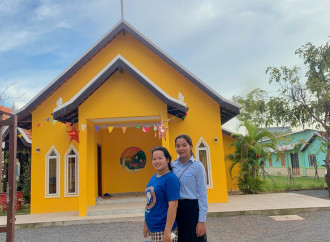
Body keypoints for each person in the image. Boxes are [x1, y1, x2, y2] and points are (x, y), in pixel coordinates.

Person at [171, 134, 208, 242]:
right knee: (178, 238)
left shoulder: (198, 166)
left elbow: (202, 194)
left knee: (193, 238)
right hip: (176, 208)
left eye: (184, 145)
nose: (181, 148)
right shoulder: (173, 166)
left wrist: (201, 221)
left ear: (190, 146)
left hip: (191, 209)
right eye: (178, 146)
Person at [144, 146, 180, 242]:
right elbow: (149, 202)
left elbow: (173, 205)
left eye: (160, 158)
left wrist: (167, 232)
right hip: (153, 229)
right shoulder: (154, 177)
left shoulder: (171, 179)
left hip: (163, 229)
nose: (156, 161)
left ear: (167, 159)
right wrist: (146, 224)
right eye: (154, 159)